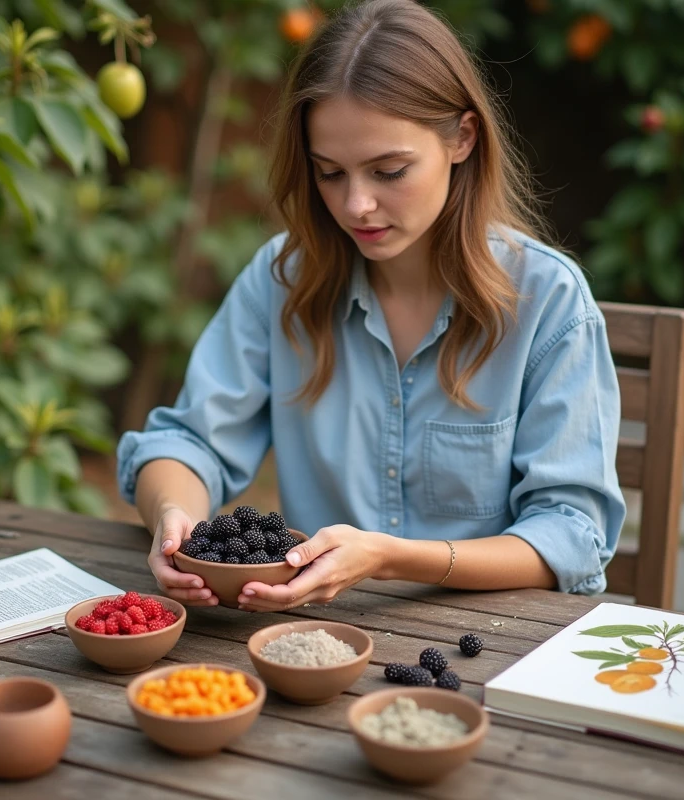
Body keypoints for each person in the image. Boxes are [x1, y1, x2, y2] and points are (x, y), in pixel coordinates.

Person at [116, 0, 626, 612]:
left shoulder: (547, 300)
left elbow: (572, 534)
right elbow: (189, 442)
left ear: (462, 138)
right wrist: (173, 520)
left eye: (388, 171)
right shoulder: (283, 280)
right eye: (330, 173)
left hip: (493, 639)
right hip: (311, 637)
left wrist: (391, 558)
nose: (356, 204)